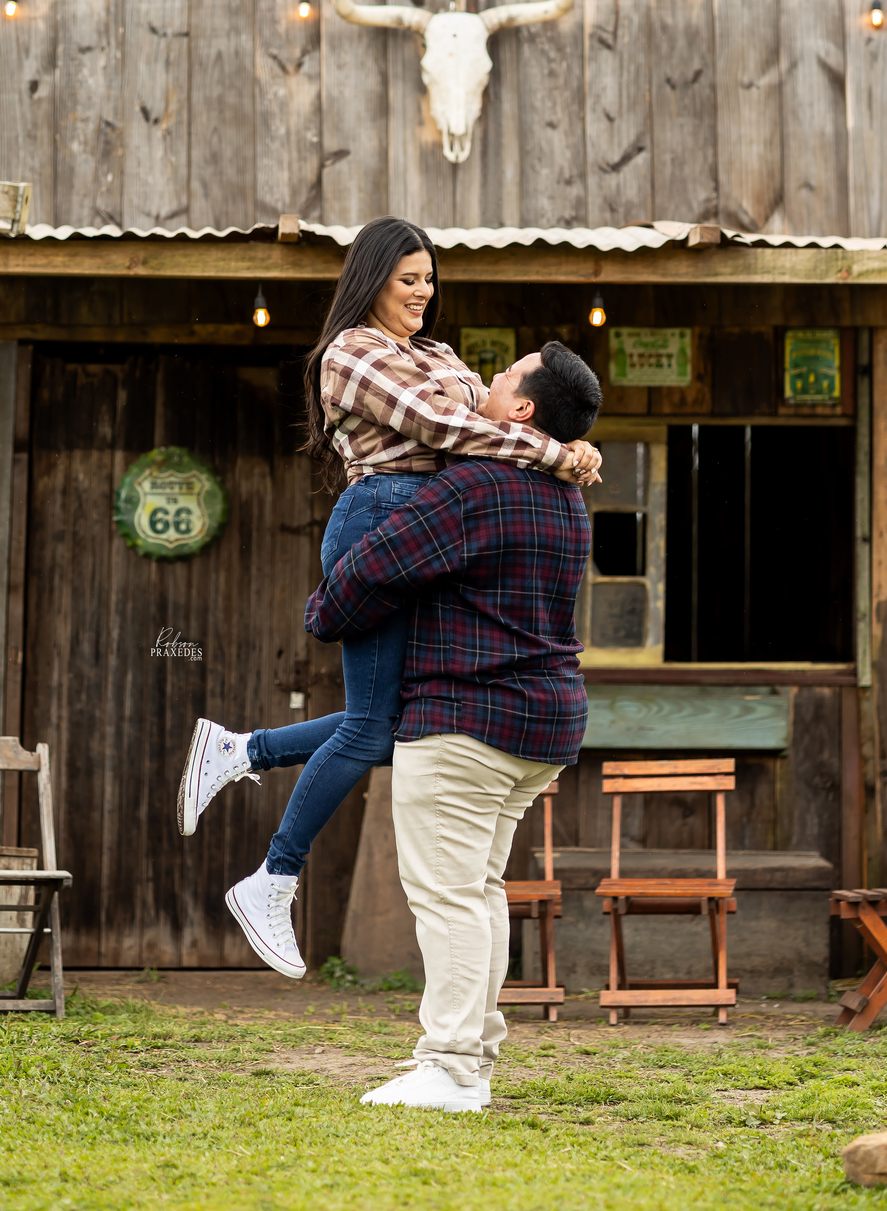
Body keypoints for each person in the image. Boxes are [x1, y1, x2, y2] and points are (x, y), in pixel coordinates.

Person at [176, 216, 600, 979]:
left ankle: (241, 751)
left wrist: (575, 443)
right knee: (376, 727)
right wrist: (552, 451)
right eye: (409, 279)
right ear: (372, 279)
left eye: (429, 280)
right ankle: (272, 878)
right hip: (381, 513)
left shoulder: (435, 353)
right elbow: (441, 423)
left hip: (428, 515)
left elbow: (491, 410)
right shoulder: (351, 354)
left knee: (401, 715)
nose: (422, 293)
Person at [306, 340, 602, 1113]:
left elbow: (372, 569)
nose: (485, 384)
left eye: (501, 379)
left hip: (466, 720)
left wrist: (322, 614)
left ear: (523, 411)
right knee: (479, 891)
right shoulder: (566, 493)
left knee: (448, 898)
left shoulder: (476, 486)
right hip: (544, 727)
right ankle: (473, 1056)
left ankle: (449, 1065)